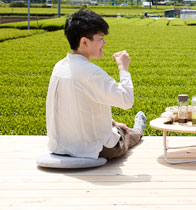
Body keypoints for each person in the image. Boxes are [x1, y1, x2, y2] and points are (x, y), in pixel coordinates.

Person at [46, 8, 146, 160]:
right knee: (125, 135)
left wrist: (110, 122)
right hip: (93, 148)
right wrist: (123, 68)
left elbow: (78, 105)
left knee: (116, 128)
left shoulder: (59, 66)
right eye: (100, 38)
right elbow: (126, 100)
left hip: (60, 146)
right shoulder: (90, 72)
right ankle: (138, 129)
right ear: (84, 41)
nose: (104, 43)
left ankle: (119, 128)